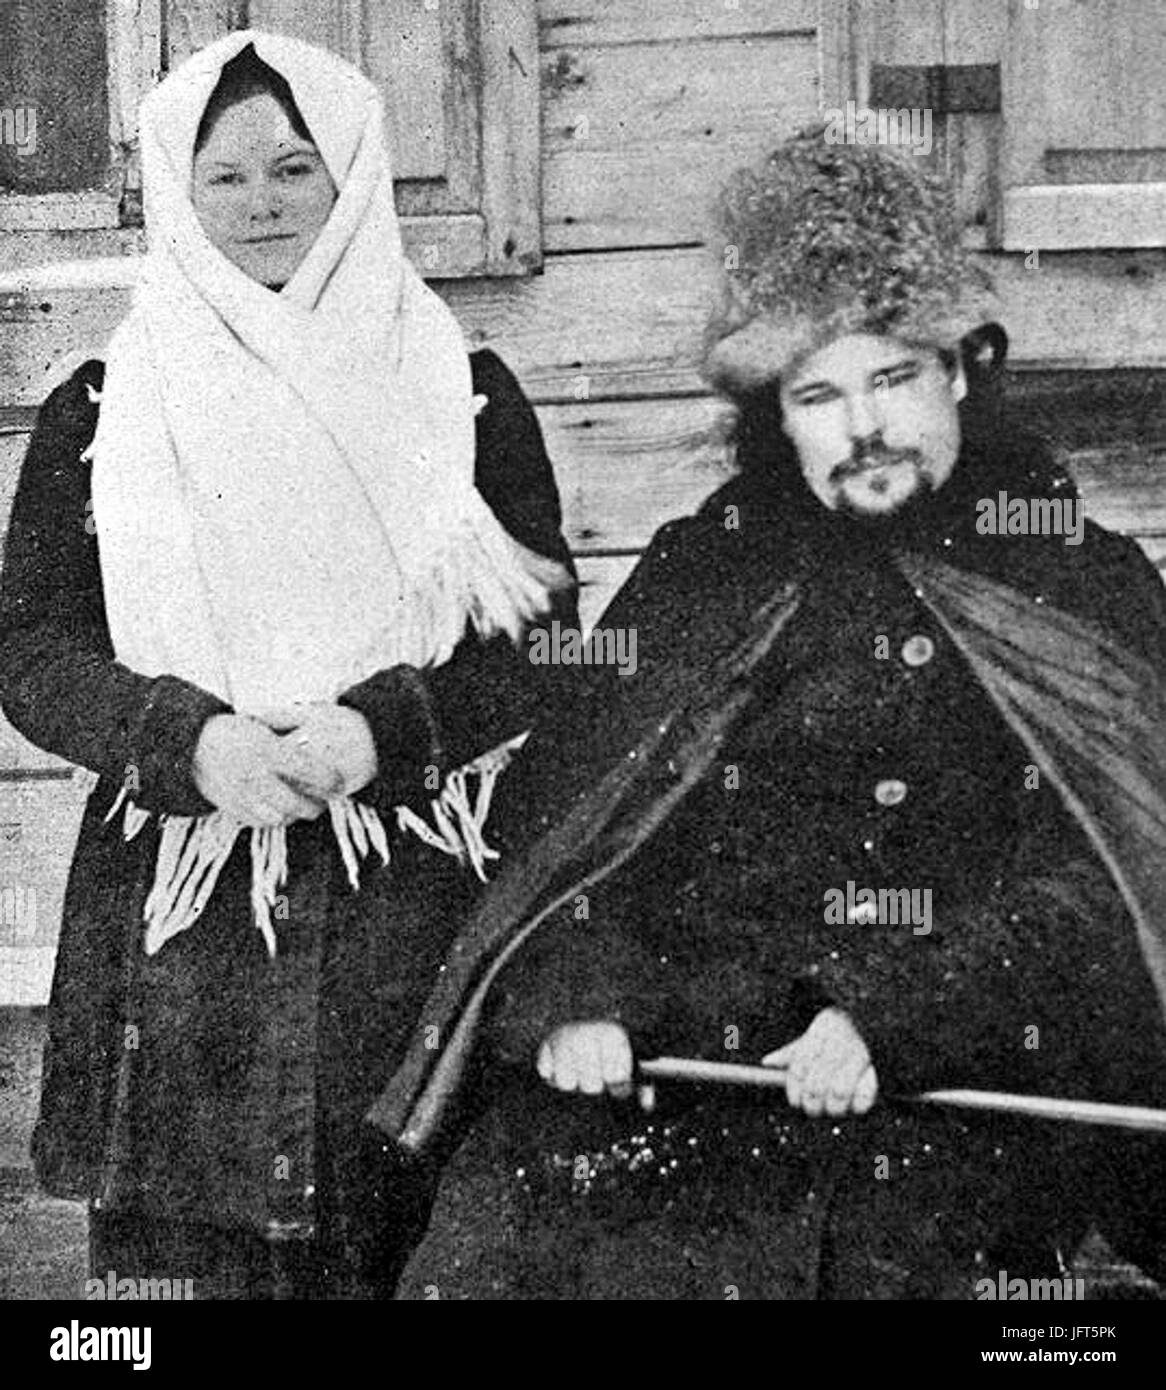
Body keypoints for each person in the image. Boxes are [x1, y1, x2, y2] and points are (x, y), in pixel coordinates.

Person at [380, 131, 1166, 1300]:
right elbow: (572, 824)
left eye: (892, 379)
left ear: (958, 371)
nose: (863, 429)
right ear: (776, 416)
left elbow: (1106, 878)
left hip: (958, 1094)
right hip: (689, 1074)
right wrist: (578, 1000)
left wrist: (890, 1017)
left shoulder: (1069, 573)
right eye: (818, 395)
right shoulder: (706, 572)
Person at [0, 30, 576, 1299]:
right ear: (179, 192)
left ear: (351, 174)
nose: (261, 202)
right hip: (180, 923)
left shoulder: (463, 393)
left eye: (293, 167)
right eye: (224, 177)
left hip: (402, 900)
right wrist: (187, 742)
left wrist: (381, 731)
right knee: (180, 1280)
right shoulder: (101, 410)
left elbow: (536, 637)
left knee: (401, 1236)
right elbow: (33, 651)